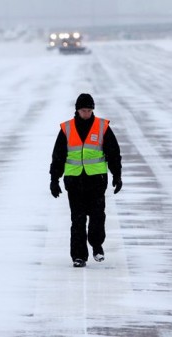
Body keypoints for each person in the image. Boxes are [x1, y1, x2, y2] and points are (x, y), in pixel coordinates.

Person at [49, 93, 122, 268]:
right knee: (78, 219)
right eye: (83, 110)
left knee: (97, 216)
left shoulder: (102, 127)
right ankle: (79, 256)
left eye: (89, 110)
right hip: (74, 181)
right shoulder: (67, 129)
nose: (87, 113)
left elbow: (113, 154)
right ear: (77, 110)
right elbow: (58, 156)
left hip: (96, 181)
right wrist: (54, 179)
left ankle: (96, 245)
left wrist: (117, 175)